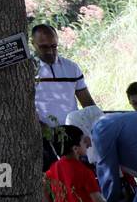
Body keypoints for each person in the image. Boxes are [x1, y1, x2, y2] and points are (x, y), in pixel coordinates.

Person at [32, 23, 96, 167]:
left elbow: (88, 103)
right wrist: (44, 130)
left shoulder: (71, 67)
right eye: (43, 46)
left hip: (72, 135)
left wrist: (95, 128)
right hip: (43, 136)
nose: (49, 51)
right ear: (33, 44)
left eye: (54, 46)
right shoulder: (27, 70)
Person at [43, 125, 125, 202]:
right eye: (83, 141)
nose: (87, 144)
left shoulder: (53, 168)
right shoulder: (84, 172)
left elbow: (43, 187)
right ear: (75, 149)